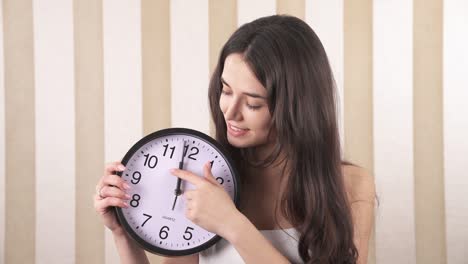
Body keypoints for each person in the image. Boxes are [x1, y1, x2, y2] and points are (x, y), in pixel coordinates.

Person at [94, 15, 375, 264]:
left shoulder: (350, 186)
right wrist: (123, 233)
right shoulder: (203, 174)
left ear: (297, 108)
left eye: (253, 104)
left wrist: (231, 224)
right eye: (226, 90)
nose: (229, 112)